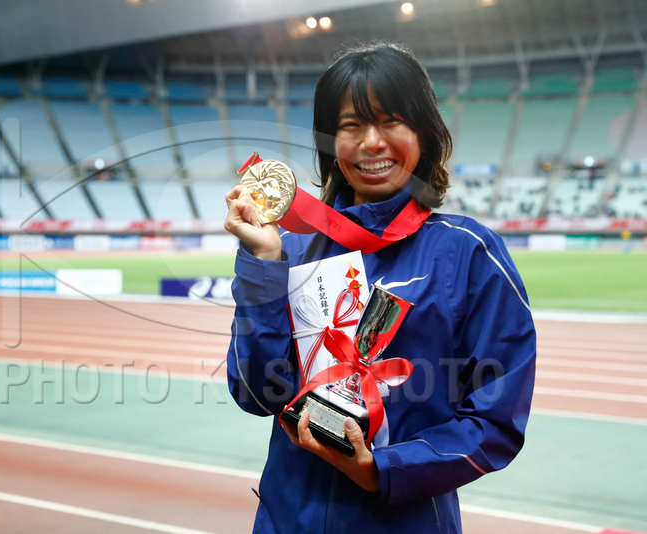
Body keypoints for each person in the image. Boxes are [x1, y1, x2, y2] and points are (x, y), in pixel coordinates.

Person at [223, 42, 536, 534]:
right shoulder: (293, 251)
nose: (372, 142)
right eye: (351, 125)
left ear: (424, 134)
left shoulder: (469, 252)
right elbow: (256, 394)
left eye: (392, 121)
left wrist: (381, 471)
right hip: (287, 521)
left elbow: (495, 422)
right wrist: (263, 262)